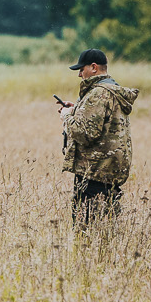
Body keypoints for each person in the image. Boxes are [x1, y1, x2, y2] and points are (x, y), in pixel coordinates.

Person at [56, 48, 138, 228]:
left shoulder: (98, 93)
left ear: (93, 67)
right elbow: (104, 121)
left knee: (85, 230)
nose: (79, 74)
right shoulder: (112, 90)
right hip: (108, 171)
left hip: (93, 172)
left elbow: (85, 133)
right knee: (105, 231)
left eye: (81, 69)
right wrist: (78, 109)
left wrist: (67, 116)